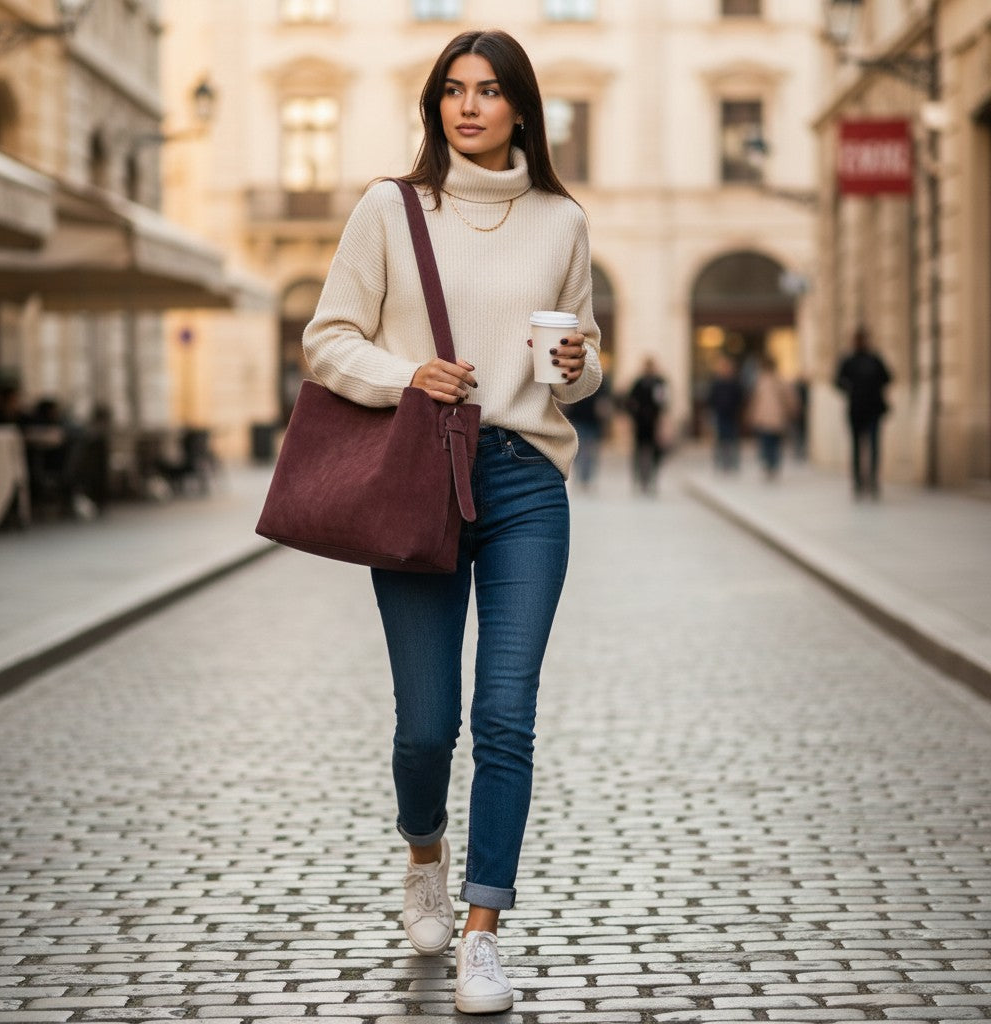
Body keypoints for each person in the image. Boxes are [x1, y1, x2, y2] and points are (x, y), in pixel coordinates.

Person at [301, 29, 602, 1015]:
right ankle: (423, 851)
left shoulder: (561, 219)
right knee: (427, 725)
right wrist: (408, 374)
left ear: (521, 108)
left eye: (489, 90)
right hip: (419, 477)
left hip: (525, 482)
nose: (469, 106)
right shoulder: (390, 208)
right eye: (453, 90)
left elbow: (581, 363)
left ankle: (482, 931)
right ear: (435, 104)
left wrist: (579, 367)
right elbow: (327, 340)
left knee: (505, 714)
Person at [835, 325, 892, 499]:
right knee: (857, 447)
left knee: (873, 446)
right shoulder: (849, 360)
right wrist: (851, 389)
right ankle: (859, 481)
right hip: (856, 409)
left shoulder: (874, 359)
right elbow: (837, 381)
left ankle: (872, 479)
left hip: (873, 409)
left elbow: (887, 377)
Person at [746, 354, 799, 479]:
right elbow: (790, 398)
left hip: (765, 418)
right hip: (775, 418)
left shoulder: (761, 381)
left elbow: (754, 400)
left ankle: (769, 464)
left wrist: (751, 414)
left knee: (767, 443)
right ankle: (772, 464)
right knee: (773, 443)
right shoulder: (779, 380)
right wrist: (793, 410)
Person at [625, 356, 668, 493]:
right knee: (639, 452)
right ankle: (640, 478)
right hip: (640, 423)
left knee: (654, 453)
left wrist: (663, 423)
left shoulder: (659, 382)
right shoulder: (638, 383)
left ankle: (651, 478)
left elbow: (663, 403)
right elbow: (629, 402)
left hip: (654, 423)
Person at [563, 369, 612, 489]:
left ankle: (586, 477)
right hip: (578, 418)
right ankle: (581, 476)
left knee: (590, 450)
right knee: (580, 449)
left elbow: (604, 402)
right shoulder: (575, 375)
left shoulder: (600, 379)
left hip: (592, 420)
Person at [705, 355, 744, 472]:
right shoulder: (716, 383)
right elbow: (711, 398)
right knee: (720, 440)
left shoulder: (735, 383)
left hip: (732, 415)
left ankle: (732, 463)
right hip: (719, 414)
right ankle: (721, 463)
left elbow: (740, 398)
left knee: (732, 440)